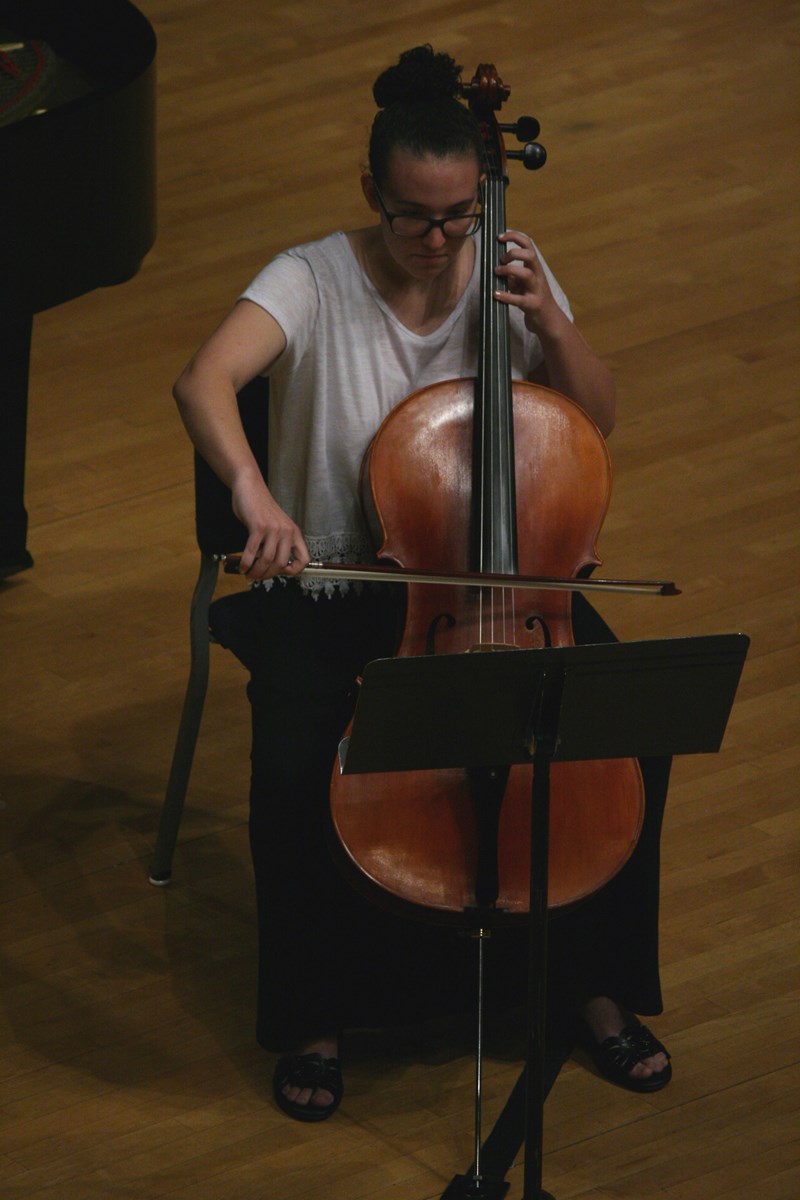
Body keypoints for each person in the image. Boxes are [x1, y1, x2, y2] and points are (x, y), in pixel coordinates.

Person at [173, 45, 672, 1123]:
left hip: (504, 580)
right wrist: (255, 497)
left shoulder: (508, 268)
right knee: (297, 763)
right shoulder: (310, 277)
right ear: (373, 193)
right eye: (415, 218)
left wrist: (550, 324)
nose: (441, 241)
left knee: (623, 728)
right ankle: (315, 1015)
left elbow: (596, 418)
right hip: (340, 587)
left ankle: (594, 983)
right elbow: (204, 378)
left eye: (458, 216)